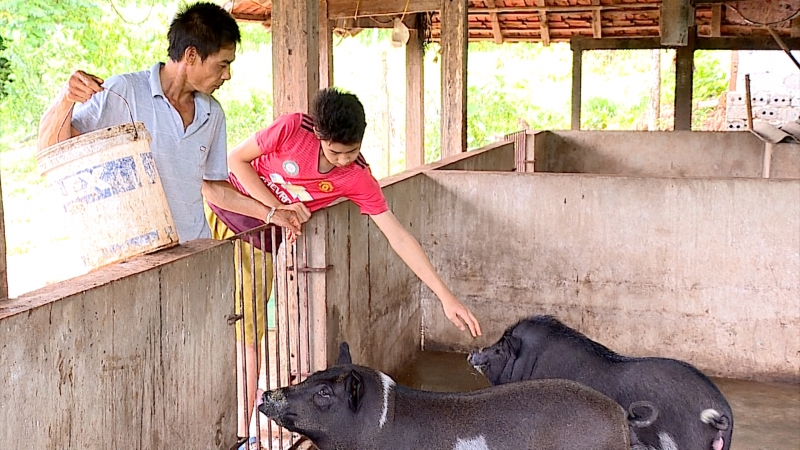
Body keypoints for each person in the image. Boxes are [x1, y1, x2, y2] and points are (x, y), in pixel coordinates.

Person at [206, 87, 482, 448]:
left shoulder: (357, 176)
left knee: (246, 332)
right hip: (224, 214)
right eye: (336, 151)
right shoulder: (292, 130)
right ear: (319, 135)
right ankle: (245, 431)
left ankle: (244, 432)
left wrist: (444, 296)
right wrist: (277, 209)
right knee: (233, 331)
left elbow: (398, 236)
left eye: (352, 151)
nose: (344, 160)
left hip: (259, 244)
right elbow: (235, 161)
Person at [37, 2, 279, 243]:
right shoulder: (125, 92)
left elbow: (212, 187)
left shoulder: (212, 113)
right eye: (223, 64)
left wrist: (270, 212)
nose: (227, 75)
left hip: (195, 251)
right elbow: (52, 150)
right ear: (191, 55)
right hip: (136, 258)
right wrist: (65, 100)